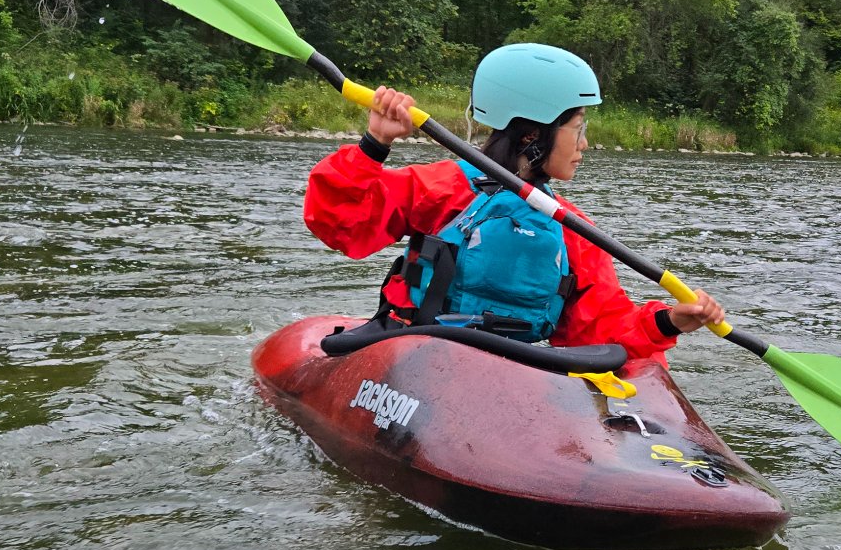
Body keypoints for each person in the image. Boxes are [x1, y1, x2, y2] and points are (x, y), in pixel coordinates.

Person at [304, 42, 725, 361]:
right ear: (533, 136)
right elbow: (339, 224)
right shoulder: (444, 186)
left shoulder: (569, 227)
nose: (585, 143)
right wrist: (375, 143)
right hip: (417, 352)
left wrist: (667, 321)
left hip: (512, 366)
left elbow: (598, 327)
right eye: (577, 128)